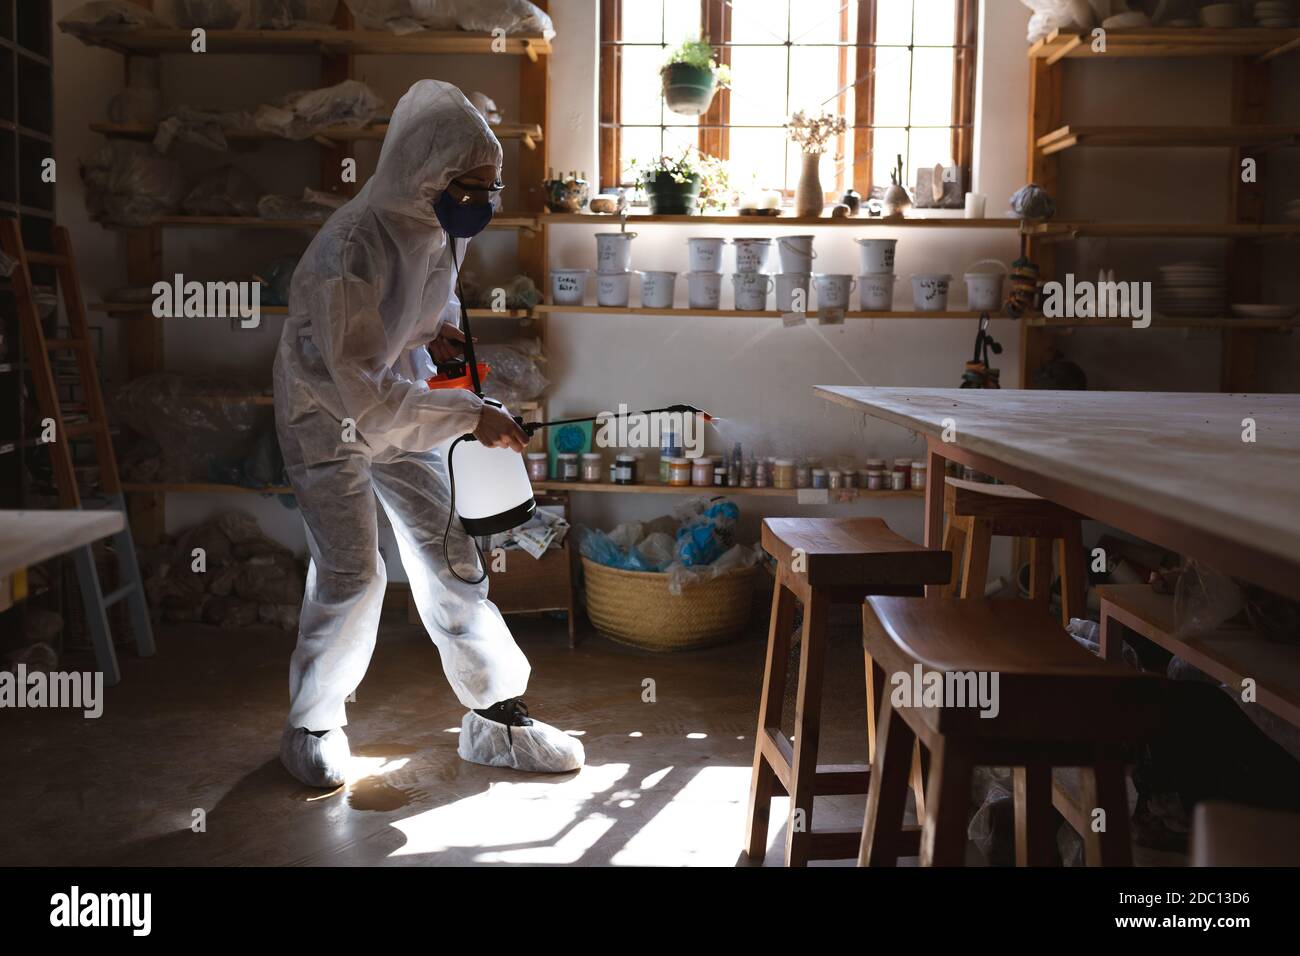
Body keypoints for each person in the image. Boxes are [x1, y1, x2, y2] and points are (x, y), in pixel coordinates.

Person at [272, 79, 584, 788]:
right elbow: (364, 394)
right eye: (471, 185)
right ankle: (313, 722)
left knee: (450, 550)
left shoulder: (438, 224)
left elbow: (425, 299)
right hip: (328, 412)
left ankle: (497, 718)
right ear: (427, 172)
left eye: (491, 186)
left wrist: (436, 332)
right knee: (354, 573)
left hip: (397, 391)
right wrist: (472, 414)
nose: (482, 199)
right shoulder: (350, 248)